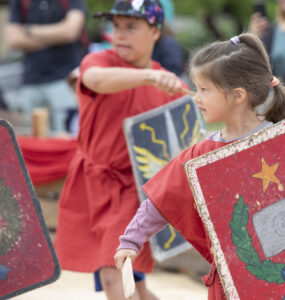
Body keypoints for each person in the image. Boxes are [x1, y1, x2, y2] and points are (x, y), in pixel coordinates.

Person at [114, 33, 285, 300]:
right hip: (232, 285)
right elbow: (160, 201)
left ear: (237, 95)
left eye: (204, 90)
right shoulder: (201, 154)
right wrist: (131, 240)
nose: (196, 98)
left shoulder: (284, 142)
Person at [53, 1, 189, 299]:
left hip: (133, 192)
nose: (120, 34)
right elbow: (95, 80)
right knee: (136, 286)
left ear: (155, 32)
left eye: (131, 26)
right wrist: (149, 77)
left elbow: (188, 138)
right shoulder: (98, 60)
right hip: (90, 185)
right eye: (116, 26)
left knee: (113, 274)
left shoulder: (171, 85)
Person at [5, 0, 86, 134]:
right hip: (31, 81)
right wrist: (57, 35)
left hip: (65, 80)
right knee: (34, 141)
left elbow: (70, 32)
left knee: (66, 136)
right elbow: (13, 39)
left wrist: (29, 30)